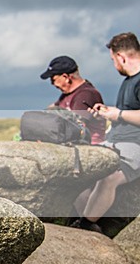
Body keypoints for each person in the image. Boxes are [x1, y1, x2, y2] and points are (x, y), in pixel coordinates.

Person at [72, 33, 140, 233]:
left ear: (121, 57)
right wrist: (107, 112)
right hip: (113, 141)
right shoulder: (129, 81)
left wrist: (118, 114)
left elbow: (126, 115)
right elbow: (127, 114)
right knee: (78, 174)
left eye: (113, 60)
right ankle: (83, 223)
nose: (114, 65)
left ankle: (86, 225)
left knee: (108, 178)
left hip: (134, 146)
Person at [40, 55, 107, 144]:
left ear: (65, 77)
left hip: (89, 146)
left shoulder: (86, 95)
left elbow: (76, 127)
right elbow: (50, 110)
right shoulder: (68, 94)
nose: (52, 83)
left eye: (53, 79)